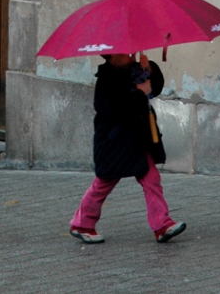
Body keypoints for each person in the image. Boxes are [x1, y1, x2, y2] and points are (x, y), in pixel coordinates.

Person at [69, 53, 186, 244]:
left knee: (151, 179)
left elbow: (153, 88)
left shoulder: (134, 70)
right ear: (112, 56)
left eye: (131, 52)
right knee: (104, 182)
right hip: (115, 142)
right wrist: (140, 93)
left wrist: (149, 70)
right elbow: (116, 109)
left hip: (137, 139)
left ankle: (162, 225)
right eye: (125, 54)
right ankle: (82, 223)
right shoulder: (106, 79)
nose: (131, 56)